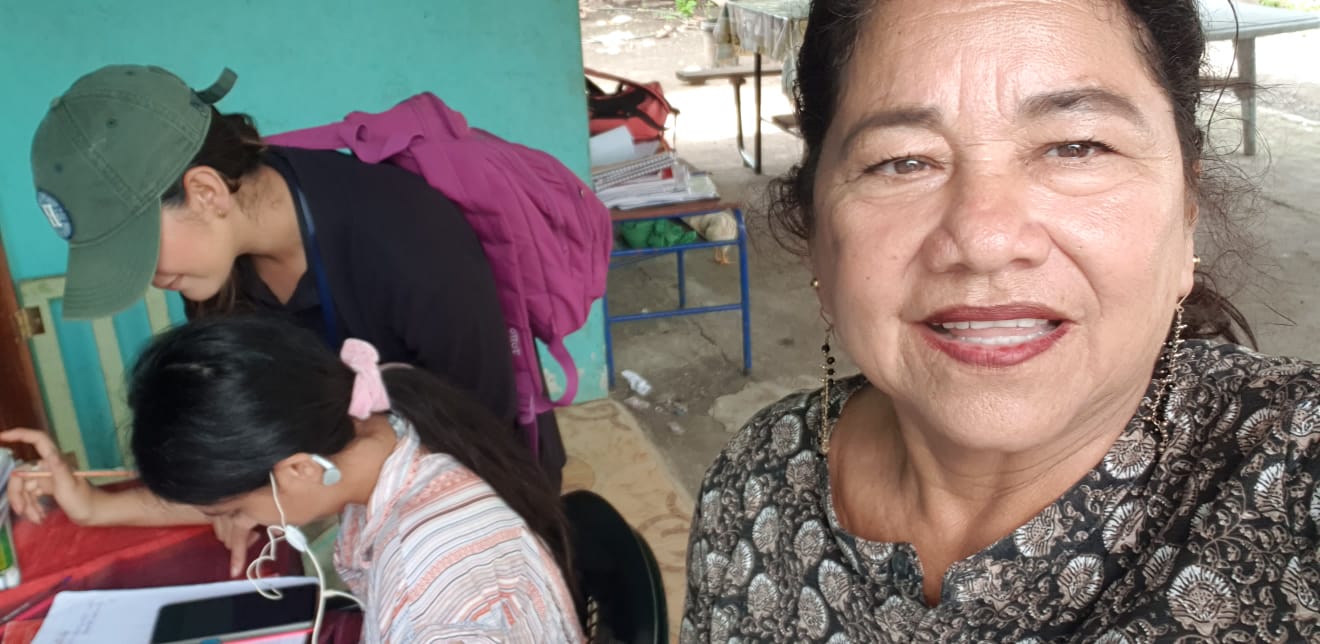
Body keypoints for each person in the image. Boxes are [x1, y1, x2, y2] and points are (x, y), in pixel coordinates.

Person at [681, 0, 1320, 642]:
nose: (984, 241)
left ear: (1186, 216)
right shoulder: (755, 478)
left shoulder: (1297, 477)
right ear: (818, 236)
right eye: (902, 161)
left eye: (1076, 147)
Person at [22, 64, 567, 569]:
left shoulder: (412, 247)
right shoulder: (217, 276)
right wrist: (100, 506)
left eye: (139, 254)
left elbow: (483, 441)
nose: (144, 278)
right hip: (364, 520)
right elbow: (245, 456)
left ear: (206, 192)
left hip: (482, 514)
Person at [2, 316, 583, 643]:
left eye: (231, 510)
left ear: (299, 469)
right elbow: (238, 488)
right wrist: (93, 507)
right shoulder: (372, 410)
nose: (234, 523)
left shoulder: (431, 590)